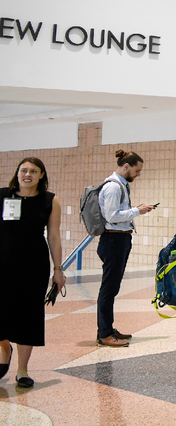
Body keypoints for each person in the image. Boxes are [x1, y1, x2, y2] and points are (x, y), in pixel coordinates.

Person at [0, 158, 65, 389]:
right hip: (2, 263)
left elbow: (54, 236)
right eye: (24, 170)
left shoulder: (50, 200)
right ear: (17, 173)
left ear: (41, 175)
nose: (27, 174)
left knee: (28, 315)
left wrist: (58, 269)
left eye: (33, 171)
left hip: (33, 265)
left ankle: (22, 369)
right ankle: (4, 348)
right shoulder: (2, 195)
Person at [97, 150, 155, 348]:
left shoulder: (120, 185)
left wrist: (136, 209)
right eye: (137, 171)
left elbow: (117, 213)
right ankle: (104, 333)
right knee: (109, 288)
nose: (138, 175)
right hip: (113, 240)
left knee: (112, 288)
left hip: (118, 239)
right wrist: (138, 211)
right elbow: (112, 216)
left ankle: (107, 328)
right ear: (126, 166)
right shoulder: (114, 186)